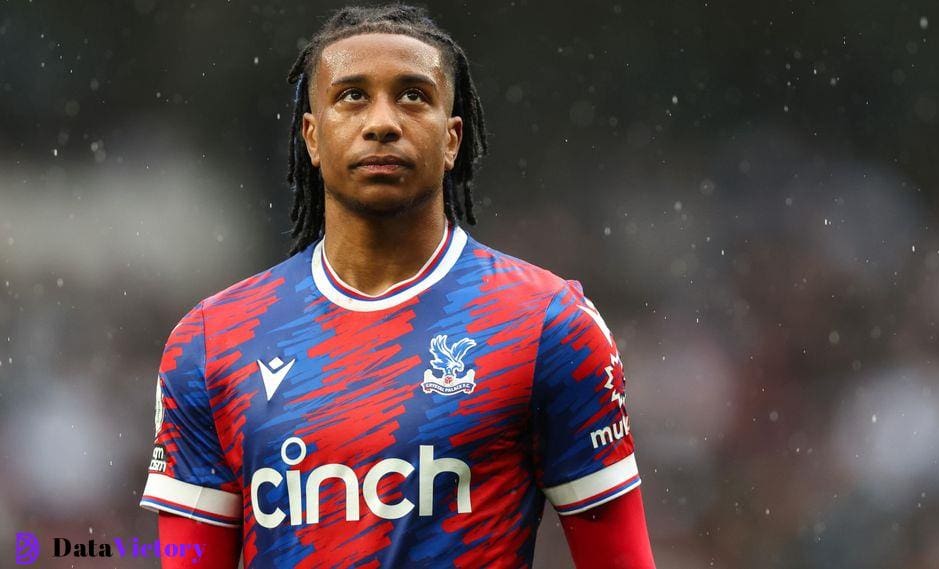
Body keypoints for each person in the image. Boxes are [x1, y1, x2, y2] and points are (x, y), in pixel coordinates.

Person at [139, 4, 656, 568]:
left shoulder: (548, 326)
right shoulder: (212, 342)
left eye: (412, 95)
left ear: (452, 138)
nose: (382, 121)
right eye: (352, 96)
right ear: (311, 137)